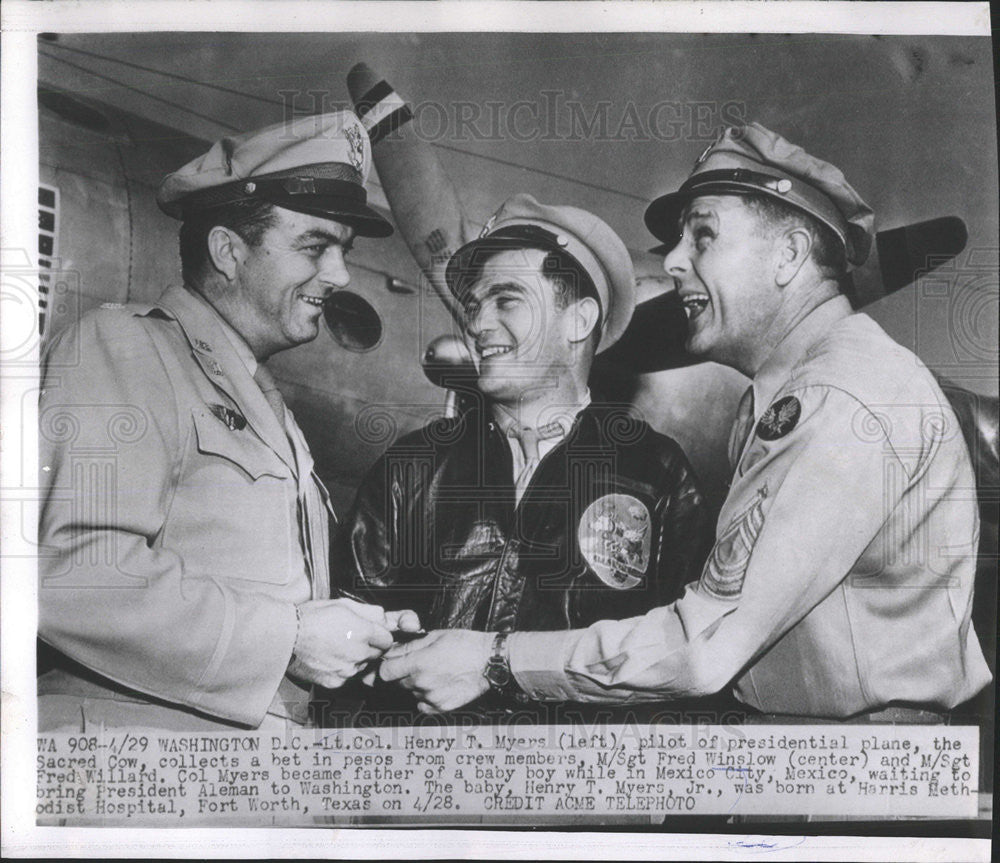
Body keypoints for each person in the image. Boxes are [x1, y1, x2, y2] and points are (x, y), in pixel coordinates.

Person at [381, 124, 991, 720]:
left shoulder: (837, 398)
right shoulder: (778, 400)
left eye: (703, 236)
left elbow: (703, 645)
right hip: (809, 752)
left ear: (790, 254)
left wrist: (494, 659)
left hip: (854, 770)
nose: (673, 262)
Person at [37, 111, 419, 732]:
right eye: (314, 246)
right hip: (137, 782)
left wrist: (349, 633)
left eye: (342, 252)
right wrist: (289, 637)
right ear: (229, 251)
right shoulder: (126, 347)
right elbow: (71, 571)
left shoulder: (265, 405)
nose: (341, 275)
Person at [332, 194, 712, 715]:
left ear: (579, 320)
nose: (477, 324)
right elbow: (344, 662)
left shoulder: (659, 475)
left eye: (507, 300)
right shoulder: (412, 467)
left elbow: (683, 667)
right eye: (474, 305)